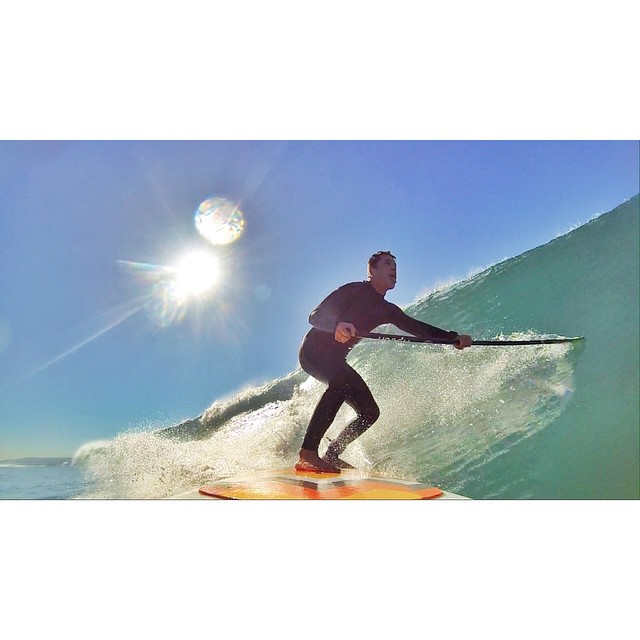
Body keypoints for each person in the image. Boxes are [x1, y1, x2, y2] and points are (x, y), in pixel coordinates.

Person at [295, 251, 473, 473]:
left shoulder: (387, 310)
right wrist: (336, 325)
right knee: (340, 382)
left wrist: (452, 338)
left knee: (369, 412)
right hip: (313, 351)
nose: (394, 269)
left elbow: (417, 329)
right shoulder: (353, 290)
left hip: (335, 360)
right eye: (388, 264)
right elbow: (315, 316)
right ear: (371, 271)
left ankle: (332, 454)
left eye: (395, 266)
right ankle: (308, 453)